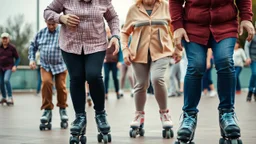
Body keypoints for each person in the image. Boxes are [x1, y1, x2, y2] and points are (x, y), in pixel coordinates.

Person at [169, 0, 255, 143]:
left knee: (225, 61)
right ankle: (188, 117)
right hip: (193, 26)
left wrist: (246, 17)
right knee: (196, 66)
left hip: (225, 24)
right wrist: (177, 26)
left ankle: (227, 113)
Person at [44, 0, 120, 143]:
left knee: (93, 75)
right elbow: (47, 12)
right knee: (76, 78)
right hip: (70, 45)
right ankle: (80, 117)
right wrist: (61, 18)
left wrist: (115, 35)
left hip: (96, 44)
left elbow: (113, 18)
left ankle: (100, 114)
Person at [122, 0, 181, 138]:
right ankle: (139, 115)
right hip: (138, 53)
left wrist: (178, 48)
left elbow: (176, 28)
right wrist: (125, 50)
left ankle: (165, 113)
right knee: (141, 84)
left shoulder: (166, 7)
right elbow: (125, 32)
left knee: (157, 79)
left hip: (162, 52)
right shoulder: (133, 9)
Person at [28, 20, 69, 130]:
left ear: (57, 22)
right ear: (46, 22)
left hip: (61, 65)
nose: (51, 26)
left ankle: (62, 108)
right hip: (45, 65)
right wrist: (32, 59)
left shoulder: (63, 32)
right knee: (46, 83)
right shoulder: (41, 33)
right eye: (49, 24)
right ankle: (47, 110)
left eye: (53, 24)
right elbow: (32, 46)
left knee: (61, 86)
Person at [0, 32, 20, 105]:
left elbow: (17, 58)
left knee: (6, 80)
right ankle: (4, 97)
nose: (4, 40)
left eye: (6, 38)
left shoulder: (12, 48)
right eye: (3, 38)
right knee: (1, 83)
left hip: (9, 67)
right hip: (0, 68)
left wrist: (15, 66)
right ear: (1, 39)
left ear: (9, 39)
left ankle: (10, 97)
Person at [104, 27, 123, 100]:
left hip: (115, 62)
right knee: (106, 77)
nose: (108, 32)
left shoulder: (116, 40)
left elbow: (120, 52)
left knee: (115, 78)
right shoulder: (103, 40)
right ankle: (105, 93)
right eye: (107, 31)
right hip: (106, 62)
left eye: (109, 31)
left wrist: (119, 61)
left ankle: (117, 92)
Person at [245, 22, 256, 102]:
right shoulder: (252, 35)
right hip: (253, 58)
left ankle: (255, 92)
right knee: (254, 73)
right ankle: (250, 91)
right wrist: (248, 57)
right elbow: (246, 46)